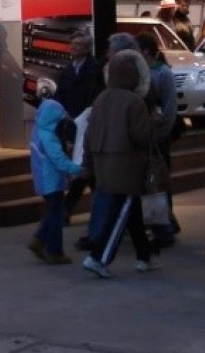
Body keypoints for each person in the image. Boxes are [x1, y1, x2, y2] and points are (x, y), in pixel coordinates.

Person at [81, 50, 158, 278]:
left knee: (130, 211)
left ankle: (144, 256)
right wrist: (154, 124)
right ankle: (98, 257)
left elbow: (89, 135)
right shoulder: (134, 102)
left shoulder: (101, 98)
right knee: (120, 213)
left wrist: (88, 163)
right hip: (127, 165)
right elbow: (141, 137)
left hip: (102, 162)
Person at [27, 98, 83, 265]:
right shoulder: (49, 137)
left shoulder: (38, 130)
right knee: (56, 216)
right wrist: (78, 169)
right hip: (51, 181)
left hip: (44, 180)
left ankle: (39, 241)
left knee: (53, 213)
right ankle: (54, 251)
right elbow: (59, 161)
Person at [137, 32, 179, 247]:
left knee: (158, 181)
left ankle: (164, 224)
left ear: (146, 51)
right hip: (147, 135)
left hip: (158, 136)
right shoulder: (141, 72)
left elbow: (170, 107)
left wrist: (164, 133)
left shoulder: (163, 73)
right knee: (154, 181)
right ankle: (164, 222)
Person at [56, 30, 101, 224]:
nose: (72, 48)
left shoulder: (95, 70)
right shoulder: (66, 71)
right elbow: (60, 95)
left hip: (87, 122)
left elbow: (95, 95)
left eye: (77, 45)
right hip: (70, 121)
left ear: (86, 48)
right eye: (71, 44)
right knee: (82, 167)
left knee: (84, 166)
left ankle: (68, 210)